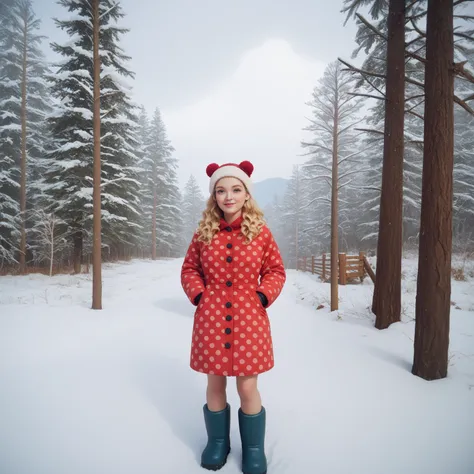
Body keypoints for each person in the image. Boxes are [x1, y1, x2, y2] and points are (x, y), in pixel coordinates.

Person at [181, 160, 286, 474]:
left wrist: (262, 295)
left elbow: (276, 271)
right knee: (215, 384)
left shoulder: (261, 233)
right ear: (214, 196)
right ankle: (217, 443)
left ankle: (253, 449)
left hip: (249, 319)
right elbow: (189, 269)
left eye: (236, 189)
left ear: (246, 194)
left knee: (247, 388)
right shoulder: (203, 233)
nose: (228, 196)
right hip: (211, 318)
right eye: (221, 190)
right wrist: (199, 295)